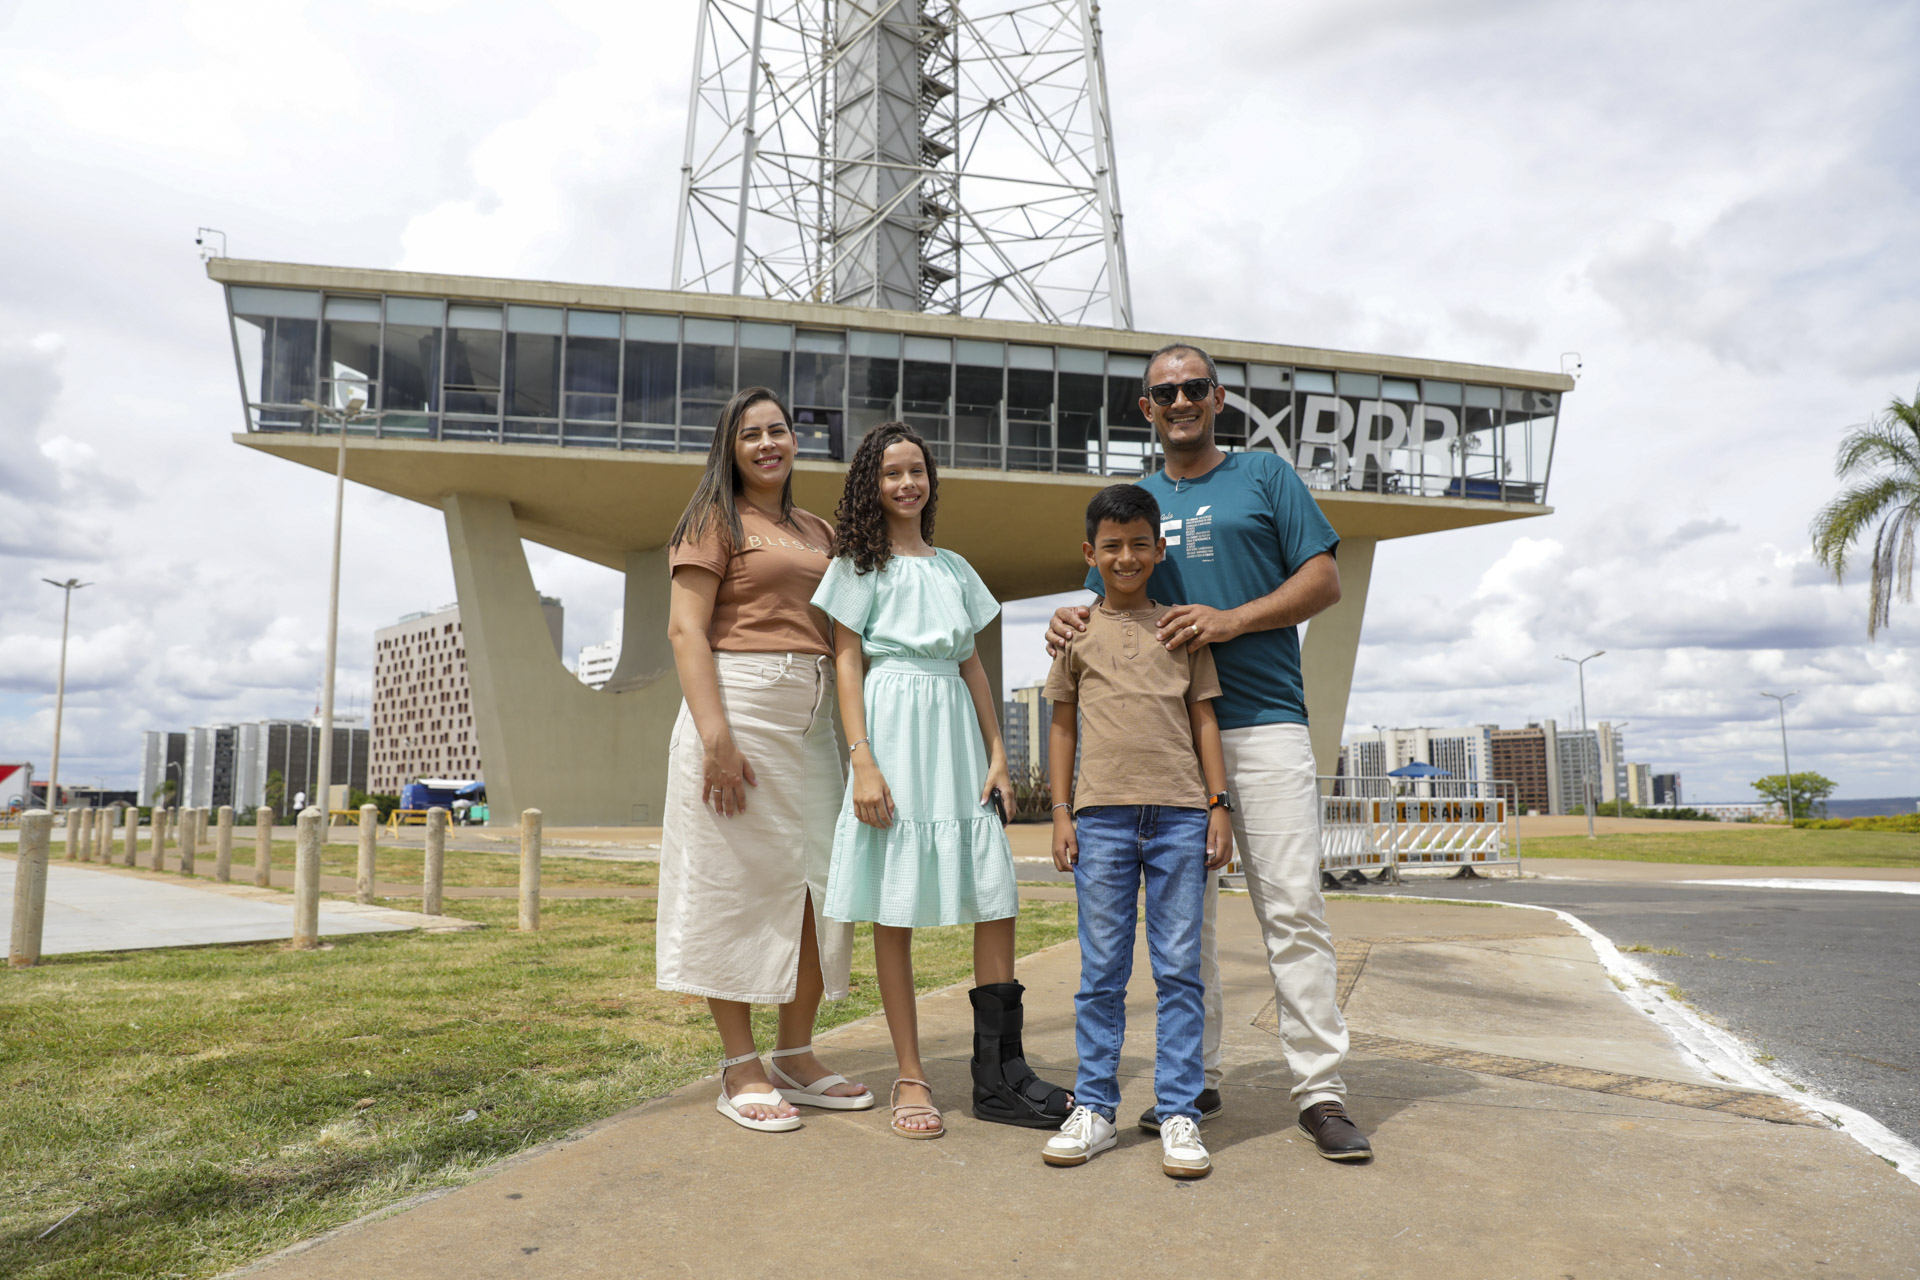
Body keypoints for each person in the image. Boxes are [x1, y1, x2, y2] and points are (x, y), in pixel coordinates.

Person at [1045, 343, 1373, 1161]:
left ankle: (1320, 1090)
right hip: (1161, 738)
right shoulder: (1138, 502)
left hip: (1258, 722)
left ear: (1218, 398)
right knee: (1188, 929)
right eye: (1165, 391)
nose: (1180, 400)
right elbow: (1108, 602)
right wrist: (1067, 618)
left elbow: (1324, 581)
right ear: (1144, 409)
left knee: (1291, 907)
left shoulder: (1264, 477)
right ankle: (1196, 1083)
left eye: (1194, 387)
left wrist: (1231, 620)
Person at [814, 422, 1074, 1141]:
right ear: (872, 484)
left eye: (916, 470)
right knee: (892, 907)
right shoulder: (857, 565)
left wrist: (998, 752)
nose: (906, 483)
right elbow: (845, 661)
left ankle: (998, 1073)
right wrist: (861, 758)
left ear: (930, 480)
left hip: (957, 734)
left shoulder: (957, 568)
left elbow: (973, 664)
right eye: (892, 472)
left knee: (994, 894)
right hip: (892, 729)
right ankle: (911, 1072)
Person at [660, 385, 873, 1133]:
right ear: (731, 447)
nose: (767, 444)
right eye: (750, 434)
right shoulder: (713, 521)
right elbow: (687, 631)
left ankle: (796, 1053)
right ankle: (739, 1064)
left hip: (813, 715)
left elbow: (850, 628)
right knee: (738, 885)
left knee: (818, 885)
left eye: (778, 430)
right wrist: (716, 737)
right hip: (741, 707)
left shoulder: (818, 529)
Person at [1039, 484, 1234, 1180]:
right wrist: (1061, 812)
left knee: (1180, 969)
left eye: (1139, 544)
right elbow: (1061, 726)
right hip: (1101, 820)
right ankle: (1093, 1107)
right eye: (1112, 546)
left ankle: (1180, 1110)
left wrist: (1219, 806)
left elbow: (1204, 720)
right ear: (1091, 554)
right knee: (1102, 973)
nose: (1126, 556)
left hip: (1182, 816)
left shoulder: (1180, 629)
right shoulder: (1074, 634)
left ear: (1159, 548)